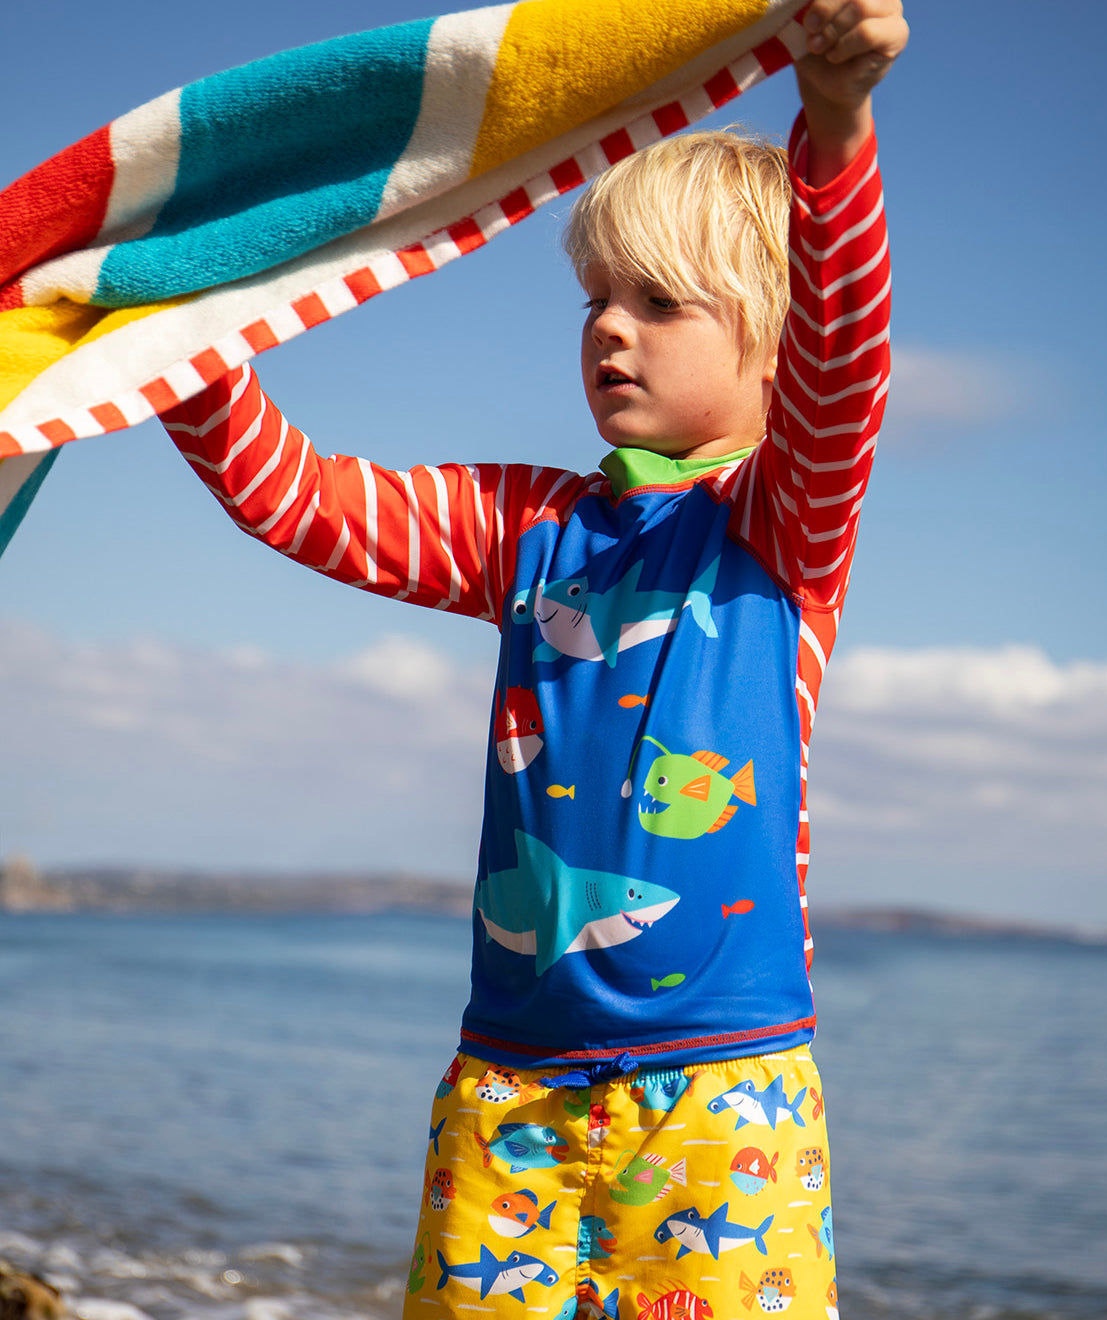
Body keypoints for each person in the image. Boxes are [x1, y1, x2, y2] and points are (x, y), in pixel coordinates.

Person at [161, 1, 908, 1313]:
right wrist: (189, 348)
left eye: (662, 303)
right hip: (508, 1089)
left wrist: (835, 128)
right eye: (594, 303)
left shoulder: (787, 527)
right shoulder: (532, 527)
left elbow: (851, 362)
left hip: (723, 1097)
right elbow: (310, 504)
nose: (610, 331)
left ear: (772, 343)